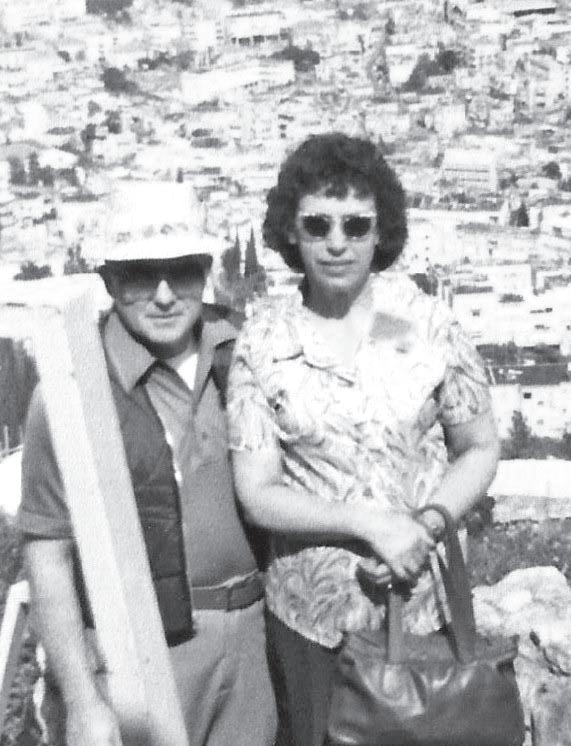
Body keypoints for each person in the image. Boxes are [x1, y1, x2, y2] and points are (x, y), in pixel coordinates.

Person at [226, 133, 500, 746]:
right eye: (317, 224)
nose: (337, 242)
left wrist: (427, 524)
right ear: (291, 231)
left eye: (356, 224)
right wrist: (369, 525)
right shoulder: (263, 341)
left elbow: (480, 446)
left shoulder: (430, 324)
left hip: (423, 607)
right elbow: (258, 492)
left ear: (381, 232)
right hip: (312, 621)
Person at [17, 181, 277, 746]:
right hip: (139, 656)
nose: (164, 296)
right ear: (110, 280)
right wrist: (83, 702)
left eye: (181, 272)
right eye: (140, 275)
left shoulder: (247, 354)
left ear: (205, 271)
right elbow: (48, 553)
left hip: (254, 648)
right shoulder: (72, 387)